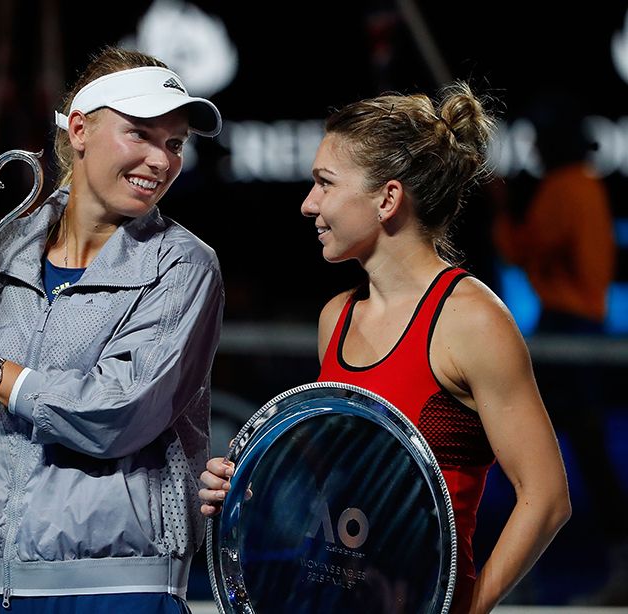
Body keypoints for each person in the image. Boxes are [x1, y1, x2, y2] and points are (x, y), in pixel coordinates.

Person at [0, 46, 225, 613]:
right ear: (79, 129)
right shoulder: (5, 246)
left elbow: (119, 414)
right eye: (141, 134)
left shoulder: (183, 265)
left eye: (174, 144)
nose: (160, 159)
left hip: (116, 590)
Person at [199, 83, 571, 614]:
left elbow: (547, 498)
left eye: (325, 184)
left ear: (387, 198)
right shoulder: (337, 318)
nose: (308, 205)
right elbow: (339, 493)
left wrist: (465, 610)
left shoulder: (474, 322)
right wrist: (249, 485)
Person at [493, 93, 625, 605]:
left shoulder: (564, 188)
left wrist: (503, 213)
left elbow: (524, 250)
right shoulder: (587, 186)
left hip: (566, 326)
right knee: (573, 444)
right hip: (580, 324)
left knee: (524, 443)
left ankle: (522, 559)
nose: (534, 151)